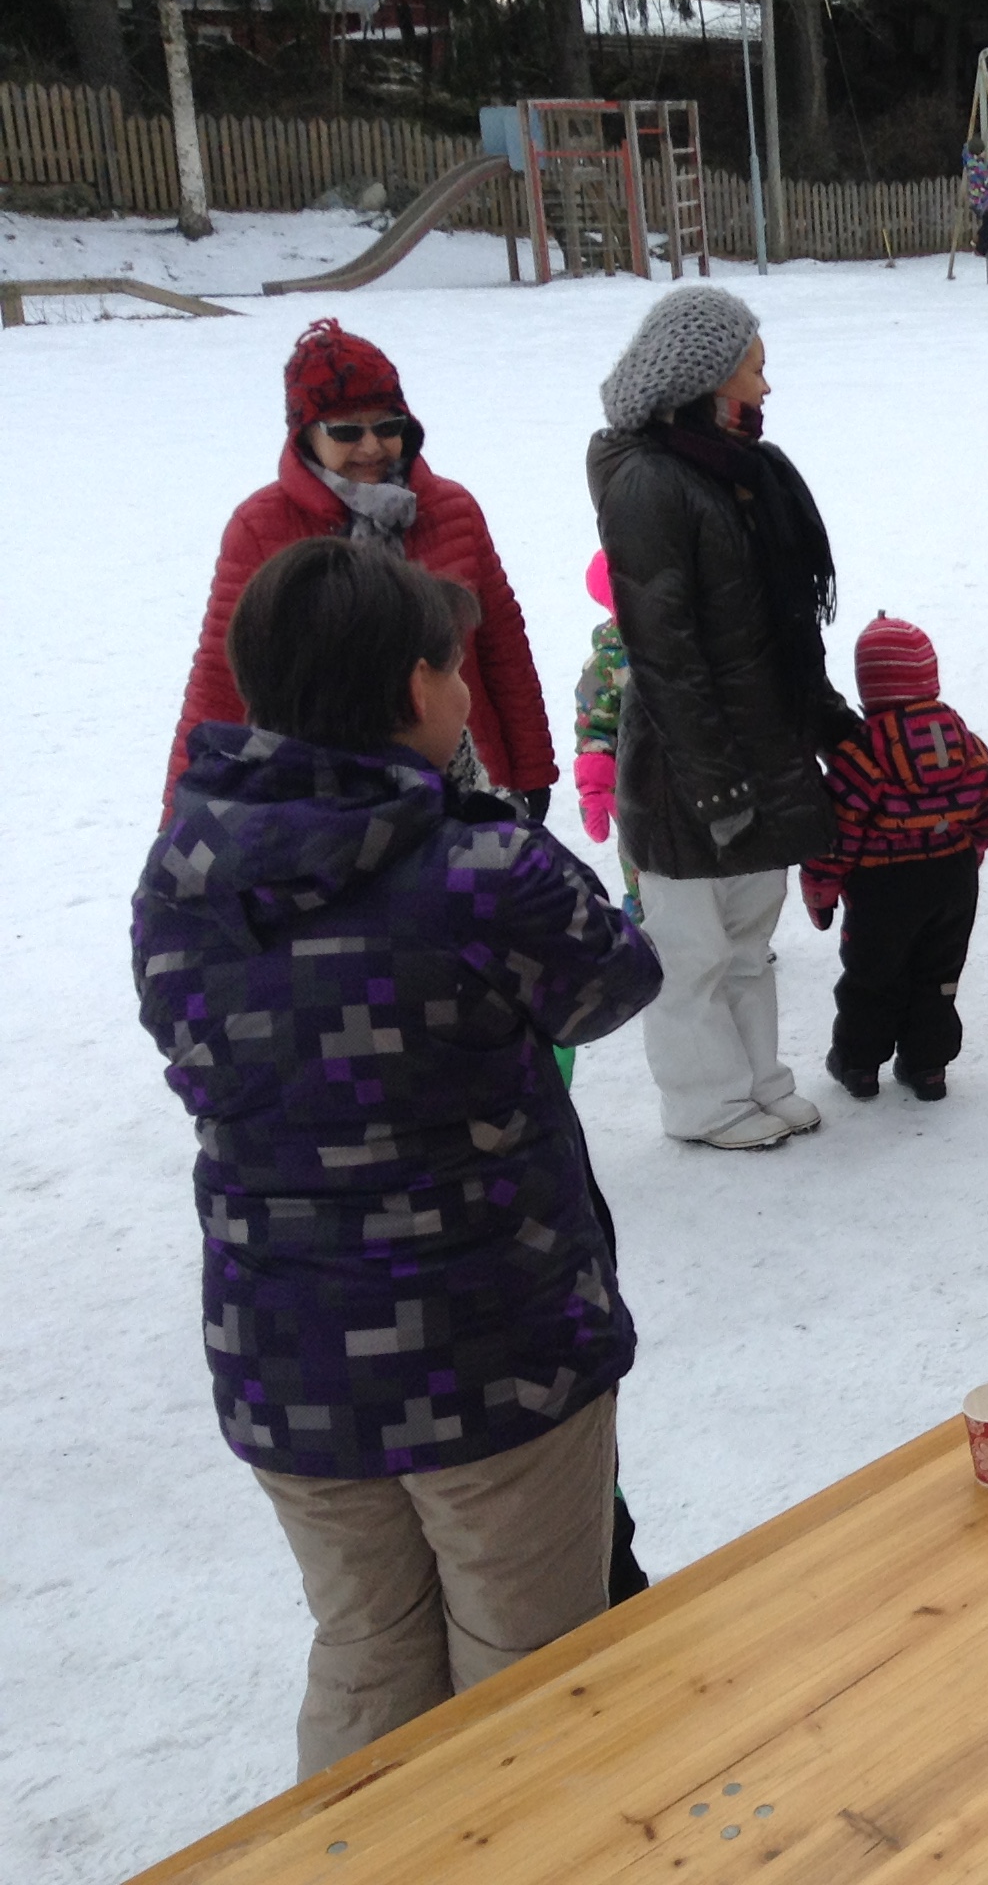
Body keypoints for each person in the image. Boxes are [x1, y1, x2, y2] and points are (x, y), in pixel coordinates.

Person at [135, 536, 662, 1780]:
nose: (467, 690)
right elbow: (613, 979)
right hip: (489, 1356)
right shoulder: (474, 868)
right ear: (416, 687)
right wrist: (473, 814)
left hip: (286, 1361)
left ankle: (352, 1852)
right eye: (454, 668)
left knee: (367, 1650)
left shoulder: (187, 869)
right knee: (528, 1681)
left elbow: (187, 1039)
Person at [589, 286, 860, 1151]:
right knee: (692, 954)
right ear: (705, 380)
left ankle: (758, 1082)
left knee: (747, 940)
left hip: (761, 747)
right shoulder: (649, 484)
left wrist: (828, 722)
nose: (766, 387)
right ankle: (703, 1102)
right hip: (689, 772)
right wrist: (716, 789)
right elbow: (665, 657)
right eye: (754, 369)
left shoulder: (739, 472)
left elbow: (783, 629)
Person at [167, 318, 555, 821]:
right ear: (306, 435)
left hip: (465, 779)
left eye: (388, 427)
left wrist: (531, 768)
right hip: (332, 807)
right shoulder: (262, 528)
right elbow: (222, 679)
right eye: (347, 431)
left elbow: (503, 648)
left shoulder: (452, 509)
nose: (371, 447)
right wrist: (183, 818)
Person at [800, 614, 988, 1105]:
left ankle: (858, 1065)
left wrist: (820, 888)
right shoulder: (962, 739)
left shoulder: (864, 752)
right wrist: (971, 848)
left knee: (873, 977)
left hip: (883, 887)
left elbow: (840, 829)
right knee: (939, 975)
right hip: (952, 877)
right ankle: (927, 1065)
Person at [570, 550, 641, 920]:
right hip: (635, 792)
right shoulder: (606, 664)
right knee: (643, 872)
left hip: (696, 786)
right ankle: (645, 930)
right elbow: (593, 729)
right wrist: (595, 788)